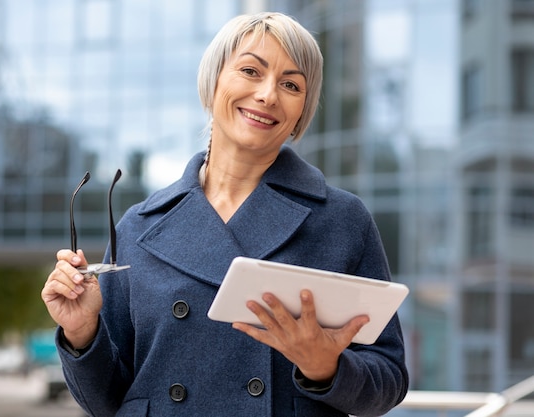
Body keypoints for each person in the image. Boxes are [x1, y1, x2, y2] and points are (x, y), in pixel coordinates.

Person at [42, 11, 408, 417]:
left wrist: (325, 367)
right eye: (251, 70)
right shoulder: (139, 227)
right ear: (213, 81)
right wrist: (80, 332)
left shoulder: (341, 220)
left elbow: (388, 381)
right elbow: (105, 401)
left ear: (302, 111)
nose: (268, 94)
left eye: (290, 84)